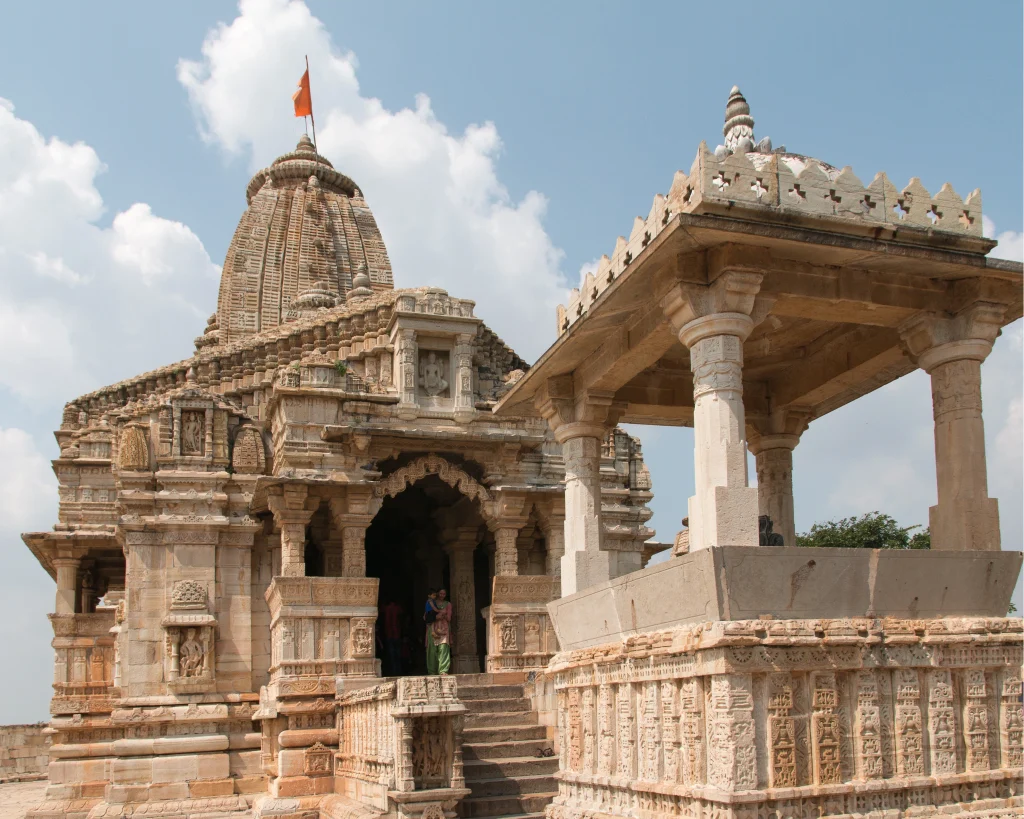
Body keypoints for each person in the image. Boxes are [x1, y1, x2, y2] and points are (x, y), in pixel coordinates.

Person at [425, 588, 453, 675]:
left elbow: (449, 618)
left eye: (444, 594)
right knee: (432, 650)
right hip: (433, 627)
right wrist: (436, 617)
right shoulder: (432, 602)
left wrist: (443, 615)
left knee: (443, 648)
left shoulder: (448, 604)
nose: (442, 595)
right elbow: (425, 617)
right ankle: (432, 671)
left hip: (444, 628)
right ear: (437, 594)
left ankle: (443, 670)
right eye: (440, 593)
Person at [381, 598, 404, 676]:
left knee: (391, 655)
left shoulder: (386, 608)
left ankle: (392, 672)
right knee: (398, 654)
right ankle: (398, 671)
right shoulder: (398, 608)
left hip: (389, 633)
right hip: (397, 633)